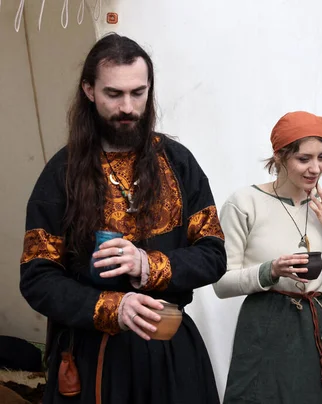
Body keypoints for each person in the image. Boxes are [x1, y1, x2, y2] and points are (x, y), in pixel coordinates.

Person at [19, 33, 226, 404]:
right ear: (89, 90)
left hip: (171, 356)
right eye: (114, 94)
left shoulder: (178, 162)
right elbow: (37, 275)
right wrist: (113, 307)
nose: (128, 106)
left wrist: (150, 265)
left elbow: (213, 253)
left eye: (138, 93)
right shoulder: (61, 173)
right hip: (93, 357)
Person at [213, 111, 322, 404]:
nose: (315, 168)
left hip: (320, 327)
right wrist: (272, 270)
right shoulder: (245, 203)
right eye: (304, 158)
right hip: (266, 327)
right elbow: (221, 283)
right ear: (280, 156)